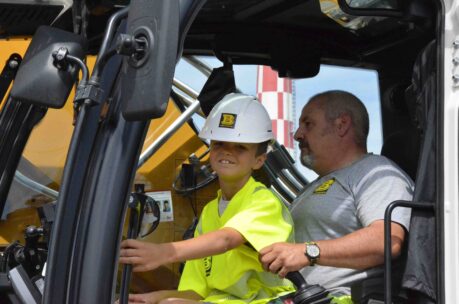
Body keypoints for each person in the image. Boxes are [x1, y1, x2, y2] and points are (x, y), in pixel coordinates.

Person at [119, 93, 295, 304]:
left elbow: (226, 239)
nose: (227, 152)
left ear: (259, 160)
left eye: (240, 147)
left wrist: (165, 252)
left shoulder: (264, 202)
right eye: (219, 143)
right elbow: (196, 294)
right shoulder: (210, 213)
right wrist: (150, 299)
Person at [259, 90, 414, 302]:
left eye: (308, 124)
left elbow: (387, 240)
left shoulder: (376, 173)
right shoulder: (315, 185)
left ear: (341, 125)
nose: (297, 135)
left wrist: (308, 252)